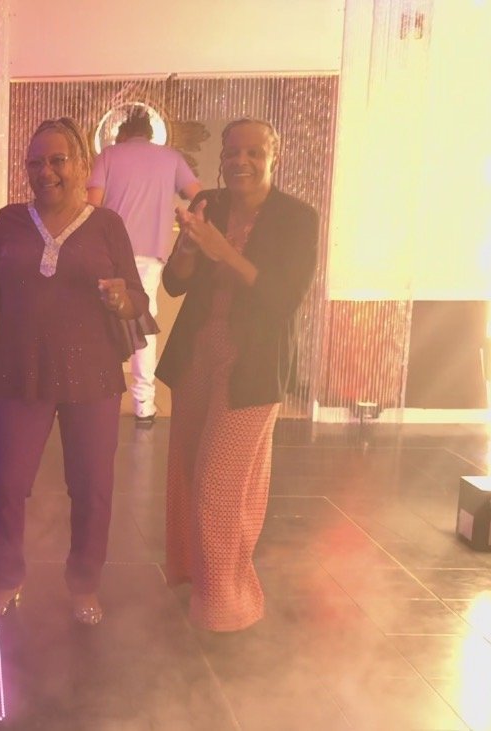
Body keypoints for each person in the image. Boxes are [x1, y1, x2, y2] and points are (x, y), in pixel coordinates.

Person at [0, 118, 150, 625]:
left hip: (91, 373)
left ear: (81, 164)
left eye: (56, 160)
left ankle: (84, 584)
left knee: (91, 486)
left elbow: (138, 298)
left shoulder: (107, 223)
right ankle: (7, 578)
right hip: (20, 369)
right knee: (5, 483)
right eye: (34, 162)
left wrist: (120, 299)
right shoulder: (8, 220)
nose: (44, 171)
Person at [158, 118, 319, 632]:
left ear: (275, 155)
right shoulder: (212, 206)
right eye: (232, 153)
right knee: (187, 471)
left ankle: (225, 602)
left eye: (253, 152)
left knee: (220, 481)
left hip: (253, 360)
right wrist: (188, 245)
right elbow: (175, 283)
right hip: (199, 351)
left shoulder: (297, 218)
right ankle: (193, 579)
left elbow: (282, 298)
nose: (240, 162)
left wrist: (222, 250)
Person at [87, 106, 202, 424]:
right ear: (150, 134)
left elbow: (92, 205)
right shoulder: (171, 158)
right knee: (143, 325)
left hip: (109, 252)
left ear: (123, 132)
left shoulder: (109, 156)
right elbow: (201, 195)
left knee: (103, 321)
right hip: (151, 253)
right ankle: (144, 405)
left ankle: (100, 396)